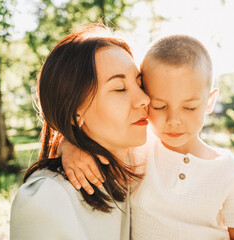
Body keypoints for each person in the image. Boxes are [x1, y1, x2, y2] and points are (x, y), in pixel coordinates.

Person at [60, 35, 234, 240]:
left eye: (189, 107)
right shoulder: (136, 152)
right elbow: (97, 140)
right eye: (160, 106)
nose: (174, 120)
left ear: (209, 102)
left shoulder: (233, 177)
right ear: (144, 98)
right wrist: (69, 146)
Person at [10, 24, 150, 240]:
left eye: (140, 84)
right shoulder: (47, 200)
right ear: (75, 113)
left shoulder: (140, 163)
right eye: (120, 88)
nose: (144, 99)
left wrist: (69, 142)